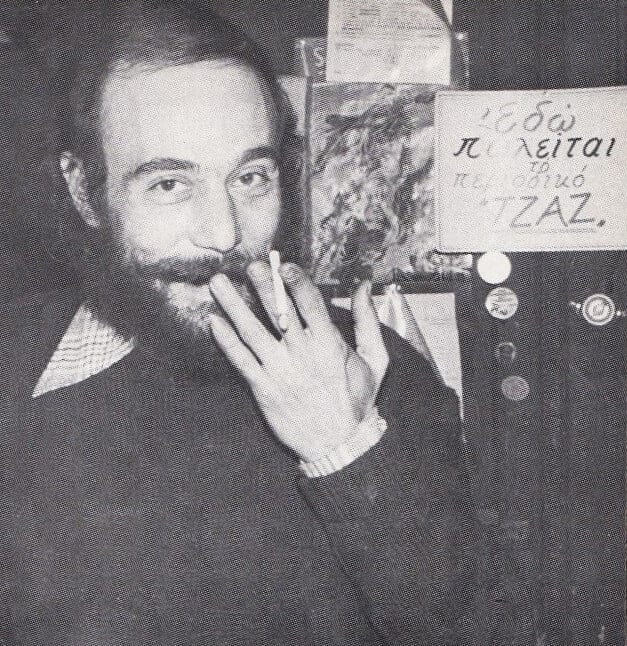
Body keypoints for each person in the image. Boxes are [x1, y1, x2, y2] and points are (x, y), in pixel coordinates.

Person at [0, 2, 478, 643]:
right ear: (86, 191)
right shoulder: (20, 375)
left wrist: (347, 449)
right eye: (169, 184)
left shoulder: (370, 367)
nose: (225, 233)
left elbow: (471, 622)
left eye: (251, 177)